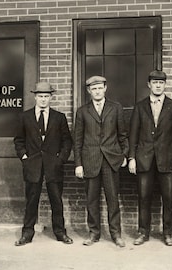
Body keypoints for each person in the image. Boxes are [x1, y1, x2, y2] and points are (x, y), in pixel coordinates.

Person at [128, 70, 172, 246]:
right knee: (143, 196)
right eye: (154, 83)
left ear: (165, 85)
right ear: (149, 85)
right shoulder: (140, 106)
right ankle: (143, 232)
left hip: (168, 160)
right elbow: (133, 135)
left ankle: (168, 233)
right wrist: (131, 157)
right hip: (144, 159)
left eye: (161, 83)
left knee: (169, 197)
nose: (158, 85)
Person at [14, 82, 73, 246]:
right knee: (31, 200)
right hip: (32, 165)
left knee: (56, 199)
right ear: (35, 97)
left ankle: (60, 232)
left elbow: (67, 141)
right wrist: (24, 157)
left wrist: (60, 159)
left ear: (51, 98)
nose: (43, 100)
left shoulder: (59, 117)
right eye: (40, 96)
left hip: (53, 166)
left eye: (46, 96)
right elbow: (19, 141)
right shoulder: (25, 117)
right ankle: (27, 233)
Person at [73, 75, 129, 248]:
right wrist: (78, 164)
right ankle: (94, 233)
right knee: (91, 200)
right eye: (93, 88)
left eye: (100, 88)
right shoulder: (82, 111)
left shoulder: (116, 108)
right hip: (90, 160)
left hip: (111, 161)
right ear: (89, 91)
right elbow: (78, 140)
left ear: (105, 88)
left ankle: (116, 234)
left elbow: (123, 135)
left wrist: (123, 155)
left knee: (113, 199)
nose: (97, 91)